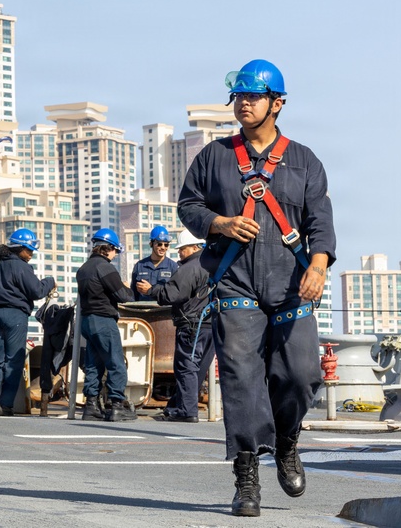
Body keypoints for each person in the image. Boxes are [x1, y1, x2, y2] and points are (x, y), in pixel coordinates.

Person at [178, 59, 334, 517]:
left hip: (291, 283)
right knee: (242, 380)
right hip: (236, 281)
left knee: (301, 375)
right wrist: (220, 222)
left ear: (277, 103)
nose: (243, 104)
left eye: (253, 96)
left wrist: (320, 264)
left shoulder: (304, 160)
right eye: (238, 97)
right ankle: (246, 473)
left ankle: (286, 442)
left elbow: (319, 219)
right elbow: (189, 205)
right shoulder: (214, 155)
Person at [0, 228, 56, 416]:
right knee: (14, 360)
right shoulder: (22, 267)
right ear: (20, 249)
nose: (31, 255)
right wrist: (49, 282)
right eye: (30, 250)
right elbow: (37, 291)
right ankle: (6, 404)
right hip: (15, 316)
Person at [76, 228, 136, 422]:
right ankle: (117, 406)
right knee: (116, 362)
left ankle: (91, 406)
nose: (116, 255)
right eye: (116, 251)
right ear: (108, 248)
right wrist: (128, 287)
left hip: (87, 320)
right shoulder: (105, 267)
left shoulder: (83, 268)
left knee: (93, 364)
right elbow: (123, 296)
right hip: (103, 320)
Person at [154, 229, 213, 423]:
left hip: (192, 325)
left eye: (182, 249)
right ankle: (176, 406)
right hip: (211, 325)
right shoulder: (213, 264)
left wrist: (153, 290)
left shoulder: (190, 268)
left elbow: (171, 294)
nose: (179, 252)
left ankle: (186, 411)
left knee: (186, 367)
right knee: (197, 369)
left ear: (194, 247)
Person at [130, 225, 179, 302]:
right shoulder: (139, 266)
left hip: (164, 311)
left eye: (166, 244)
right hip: (143, 311)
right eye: (159, 244)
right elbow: (133, 294)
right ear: (151, 244)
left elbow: (174, 293)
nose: (163, 247)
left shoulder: (173, 267)